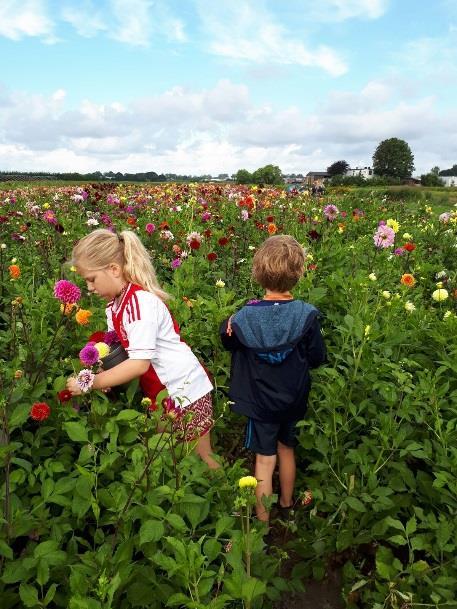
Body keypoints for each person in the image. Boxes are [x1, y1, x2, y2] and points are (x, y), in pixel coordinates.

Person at [66, 228, 219, 469]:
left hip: (185, 386)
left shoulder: (139, 303)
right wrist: (96, 365)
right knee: (165, 450)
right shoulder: (115, 305)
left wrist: (91, 382)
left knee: (201, 456)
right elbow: (116, 348)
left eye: (92, 279)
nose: (89, 287)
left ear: (114, 270)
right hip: (160, 389)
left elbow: (139, 363)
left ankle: (227, 502)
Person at [220, 235, 326, 524]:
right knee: (287, 448)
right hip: (293, 400)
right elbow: (317, 357)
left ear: (258, 272)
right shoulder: (306, 316)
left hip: (261, 405)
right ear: (299, 273)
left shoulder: (242, 318)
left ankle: (263, 522)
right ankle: (287, 503)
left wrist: (226, 326)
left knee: (264, 461)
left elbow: (228, 343)